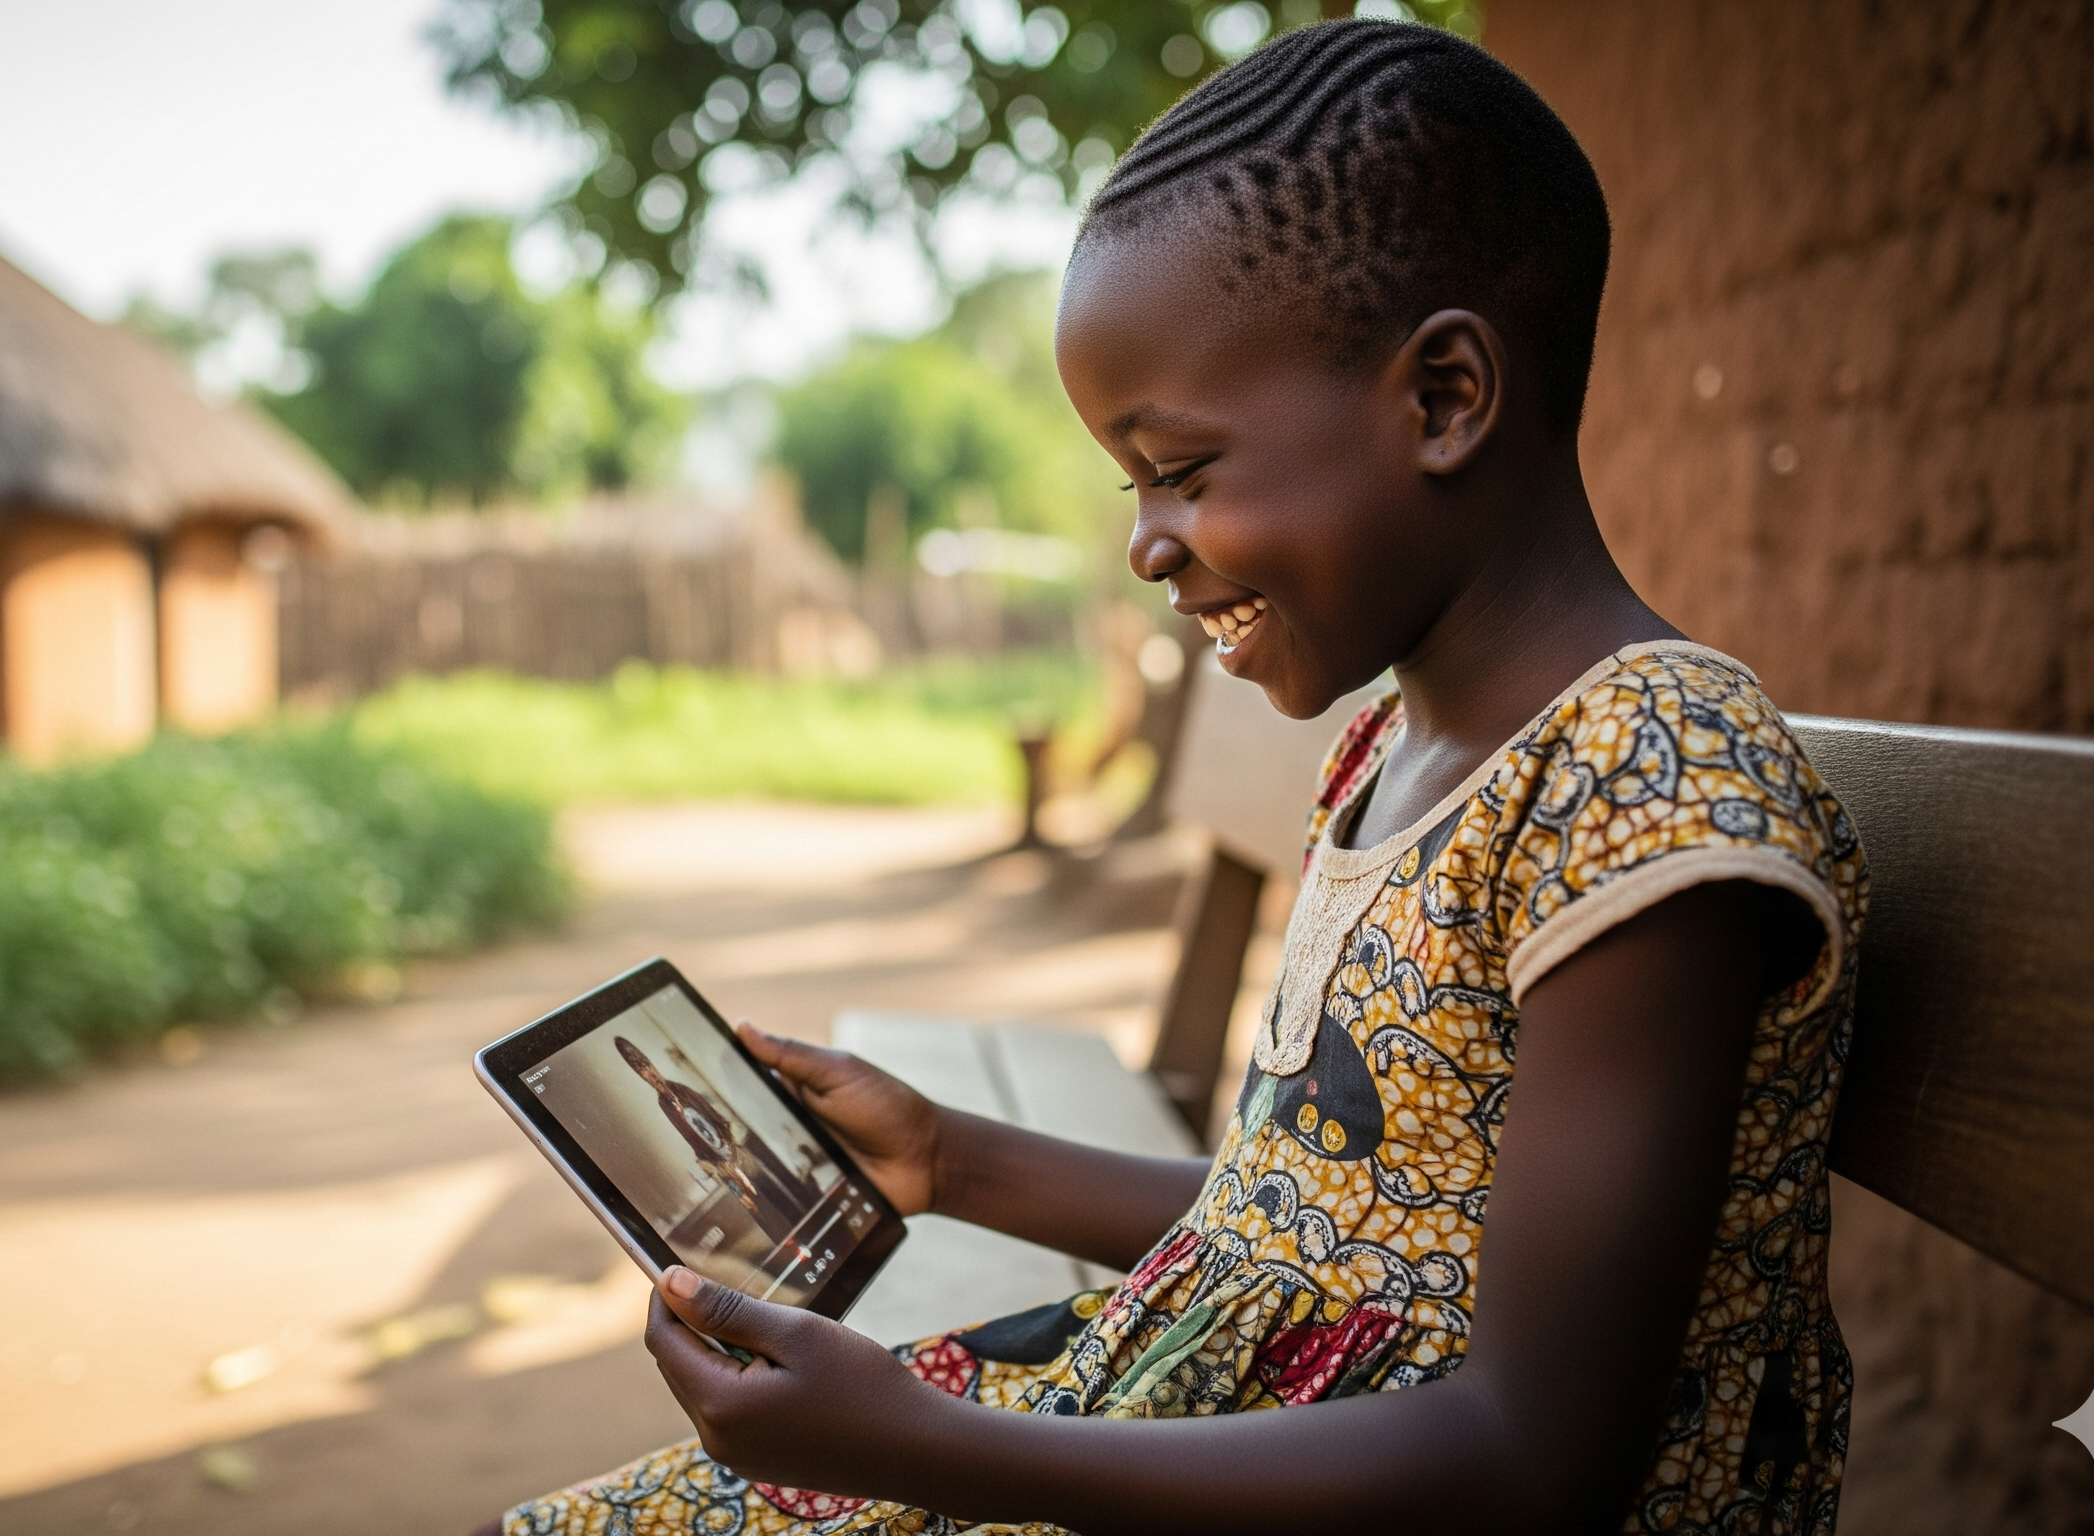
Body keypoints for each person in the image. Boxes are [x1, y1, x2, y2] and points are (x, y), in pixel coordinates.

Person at [489, 20, 1864, 1536]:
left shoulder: (1644, 779)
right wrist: (950, 1156)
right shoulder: (1393, 748)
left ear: (1446, 397)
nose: (1145, 543)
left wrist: (927, 1448)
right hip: (1248, 1417)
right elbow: (1322, 1238)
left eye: (1181, 471)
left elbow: (1534, 1458)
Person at [618, 1035, 820, 1252]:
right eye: (641, 1072)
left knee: (777, 1182)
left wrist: (729, 1142)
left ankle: (813, 1223)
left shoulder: (681, 1087)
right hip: (725, 1161)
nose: (648, 1074)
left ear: (653, 1065)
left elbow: (714, 1113)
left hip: (738, 1145)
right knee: (762, 1199)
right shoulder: (665, 1104)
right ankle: (798, 1240)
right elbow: (693, 1137)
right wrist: (710, 1161)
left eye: (647, 1067)